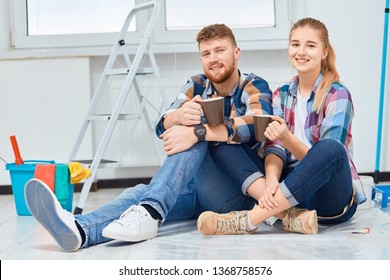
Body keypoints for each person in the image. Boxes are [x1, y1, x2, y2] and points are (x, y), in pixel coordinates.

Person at [24, 23, 274, 252]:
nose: (213, 59)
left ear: (236, 52)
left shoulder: (254, 85)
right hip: (198, 189)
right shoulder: (196, 83)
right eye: (206, 54)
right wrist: (178, 116)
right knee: (140, 194)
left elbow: (258, 125)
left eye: (220, 51)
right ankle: (81, 229)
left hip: (235, 193)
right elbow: (162, 125)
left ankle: (151, 210)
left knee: (195, 130)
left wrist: (197, 130)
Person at [197, 17, 366, 236]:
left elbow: (325, 163)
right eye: (295, 44)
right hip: (292, 191)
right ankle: (288, 215)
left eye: (310, 45)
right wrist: (270, 182)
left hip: (329, 196)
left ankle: (249, 219)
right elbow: (274, 147)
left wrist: (288, 139)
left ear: (324, 52)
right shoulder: (282, 94)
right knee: (223, 137)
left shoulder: (338, 94)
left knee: (330, 149)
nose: (301, 51)